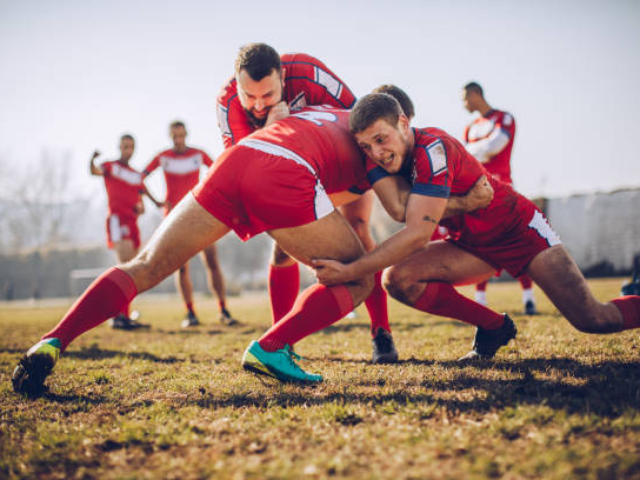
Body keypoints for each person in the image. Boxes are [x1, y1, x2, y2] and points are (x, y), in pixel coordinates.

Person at [12, 105, 491, 394]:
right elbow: (406, 211)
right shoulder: (378, 145)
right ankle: (272, 347)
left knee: (146, 265)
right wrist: (465, 201)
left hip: (236, 161)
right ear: (398, 121)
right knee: (360, 274)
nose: (382, 149)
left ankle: (53, 340)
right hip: (282, 172)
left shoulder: (329, 114)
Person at [314, 93, 640, 362]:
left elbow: (417, 233)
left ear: (403, 123)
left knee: (592, 319)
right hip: (470, 241)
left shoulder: (434, 148)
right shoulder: (377, 156)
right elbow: (401, 210)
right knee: (399, 280)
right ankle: (493, 327)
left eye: (381, 139)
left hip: (518, 229)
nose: (376, 153)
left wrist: (351, 271)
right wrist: (466, 203)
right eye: (366, 146)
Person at [217, 43, 395, 362]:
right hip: (291, 179)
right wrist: (272, 127)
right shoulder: (227, 101)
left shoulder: (310, 74)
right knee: (281, 248)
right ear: (236, 85)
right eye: (250, 96)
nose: (257, 105)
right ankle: (280, 340)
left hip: (341, 168)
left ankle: (381, 331)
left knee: (359, 231)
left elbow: (360, 125)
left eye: (268, 95)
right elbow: (242, 167)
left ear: (284, 77)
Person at [144, 121, 237, 328]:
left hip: (198, 213)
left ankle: (223, 309)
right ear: (170, 136)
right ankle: (190, 313)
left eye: (181, 135)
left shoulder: (199, 154)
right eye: (174, 136)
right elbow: (140, 178)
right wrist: (156, 202)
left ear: (186, 134)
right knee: (181, 268)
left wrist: (214, 196)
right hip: (173, 218)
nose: (178, 139)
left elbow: (221, 171)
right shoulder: (163, 157)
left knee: (212, 261)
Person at [462, 82, 536, 315]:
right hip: (476, 192)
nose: (463, 104)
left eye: (465, 98)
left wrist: (472, 150)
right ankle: (481, 301)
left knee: (516, 243)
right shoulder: (470, 127)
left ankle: (529, 298)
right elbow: (469, 155)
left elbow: (495, 146)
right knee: (479, 244)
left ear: (475, 95)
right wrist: (476, 150)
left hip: (503, 190)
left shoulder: (504, 118)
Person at [90, 134, 161, 329]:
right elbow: (94, 171)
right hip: (117, 220)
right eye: (124, 146)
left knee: (132, 271)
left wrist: (150, 205)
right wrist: (92, 159)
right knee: (125, 268)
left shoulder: (136, 175)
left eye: (130, 147)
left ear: (134, 149)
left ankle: (123, 316)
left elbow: (144, 195)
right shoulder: (110, 166)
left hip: (133, 223)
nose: (127, 150)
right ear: (119, 147)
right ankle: (117, 316)